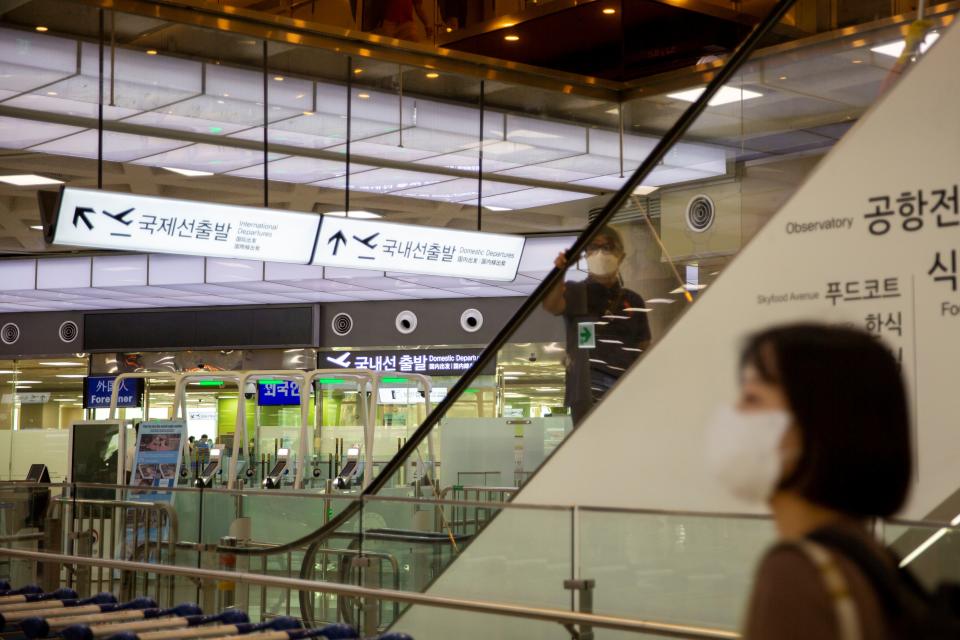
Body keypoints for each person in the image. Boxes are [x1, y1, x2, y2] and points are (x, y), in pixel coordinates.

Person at [706, 323, 917, 639]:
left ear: (818, 423)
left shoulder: (795, 573)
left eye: (752, 398)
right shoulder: (872, 557)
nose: (733, 414)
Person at [543, 226, 651, 423]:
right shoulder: (577, 292)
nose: (602, 253)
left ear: (621, 255)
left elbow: (644, 348)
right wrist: (561, 269)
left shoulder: (633, 301)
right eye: (594, 247)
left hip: (626, 392)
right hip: (586, 393)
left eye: (609, 247)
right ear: (586, 254)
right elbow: (551, 304)